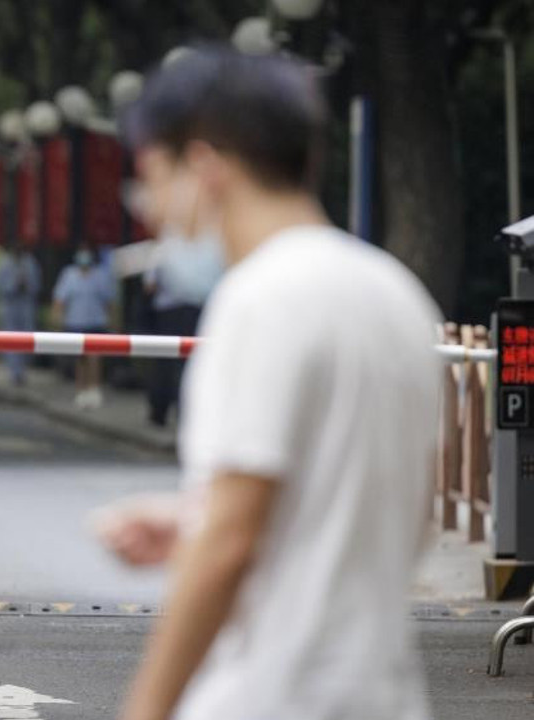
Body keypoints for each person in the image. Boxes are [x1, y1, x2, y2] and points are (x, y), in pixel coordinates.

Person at [94, 47, 440, 720]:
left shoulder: (259, 302)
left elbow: (229, 544)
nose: (153, 209)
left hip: (274, 696)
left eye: (154, 180)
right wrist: (194, 520)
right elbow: (392, 508)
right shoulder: (398, 296)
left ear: (204, 168)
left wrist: (147, 708)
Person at [143, 233, 221, 427]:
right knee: (191, 363)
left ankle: (159, 412)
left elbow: (150, 286)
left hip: (169, 312)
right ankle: (184, 413)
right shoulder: (209, 247)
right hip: (196, 311)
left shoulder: (163, 250)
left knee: (164, 361)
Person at [52, 247, 114, 409]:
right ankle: (81, 390)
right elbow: (60, 299)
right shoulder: (69, 274)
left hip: (96, 322)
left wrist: (112, 321)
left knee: (95, 357)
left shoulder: (100, 275)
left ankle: (94, 389)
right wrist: (57, 319)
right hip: (75, 322)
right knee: (80, 359)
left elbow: (108, 301)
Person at [0, 246, 41, 385]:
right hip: (10, 306)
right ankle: (15, 372)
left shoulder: (30, 263)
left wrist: (26, 284)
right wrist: (14, 284)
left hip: (26, 305)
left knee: (27, 338)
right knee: (10, 339)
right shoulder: (4, 264)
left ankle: (23, 370)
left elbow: (37, 285)